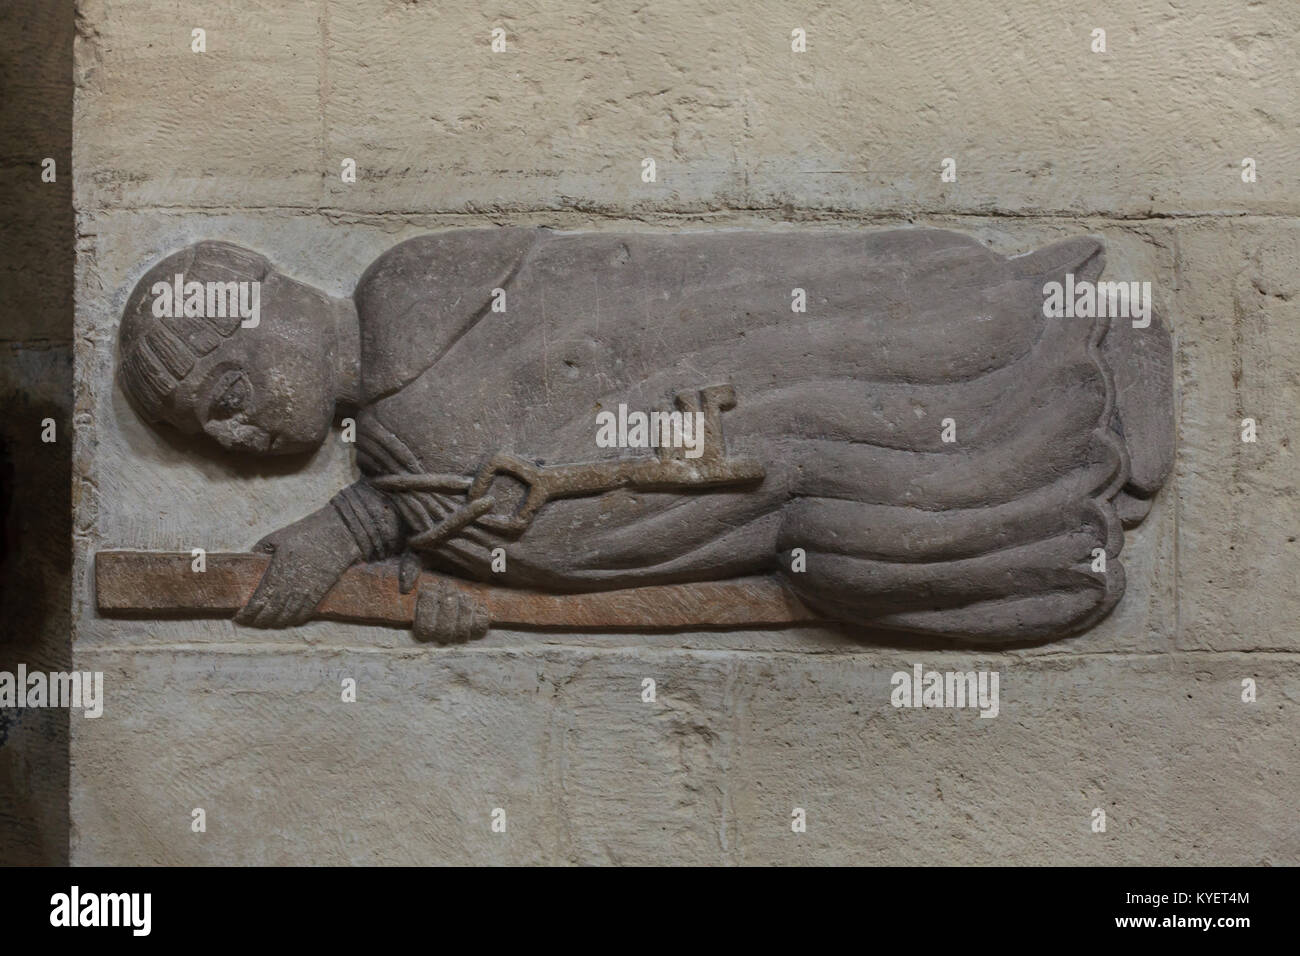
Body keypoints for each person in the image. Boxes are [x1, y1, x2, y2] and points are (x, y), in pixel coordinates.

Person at [117, 227, 1172, 643]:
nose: (233, 430)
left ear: (271, 296)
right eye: (208, 426)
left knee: (882, 398)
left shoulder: (407, 296)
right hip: (731, 496)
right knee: (865, 544)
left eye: (226, 385)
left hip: (741, 399)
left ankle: (1073, 364)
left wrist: (355, 532)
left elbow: (514, 445)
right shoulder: (394, 435)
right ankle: (1066, 488)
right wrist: (401, 565)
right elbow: (491, 501)